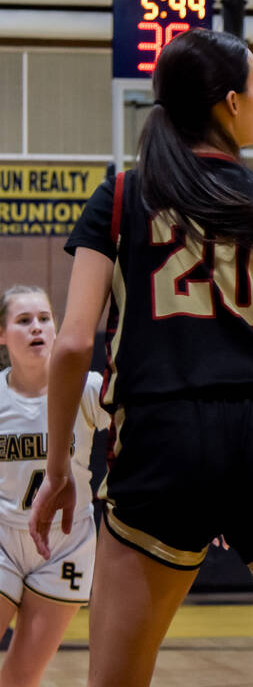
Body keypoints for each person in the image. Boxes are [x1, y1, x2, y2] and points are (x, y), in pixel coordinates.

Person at [28, 28, 253, 687]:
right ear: (229, 104)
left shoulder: (121, 197)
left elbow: (71, 345)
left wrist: (60, 464)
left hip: (162, 437)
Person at [0, 285, 108, 686]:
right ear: (2, 333)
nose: (37, 328)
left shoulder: (88, 387)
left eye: (45, 319)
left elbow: (152, 433)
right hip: (3, 539)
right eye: (24, 320)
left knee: (22, 675)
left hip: (66, 543)